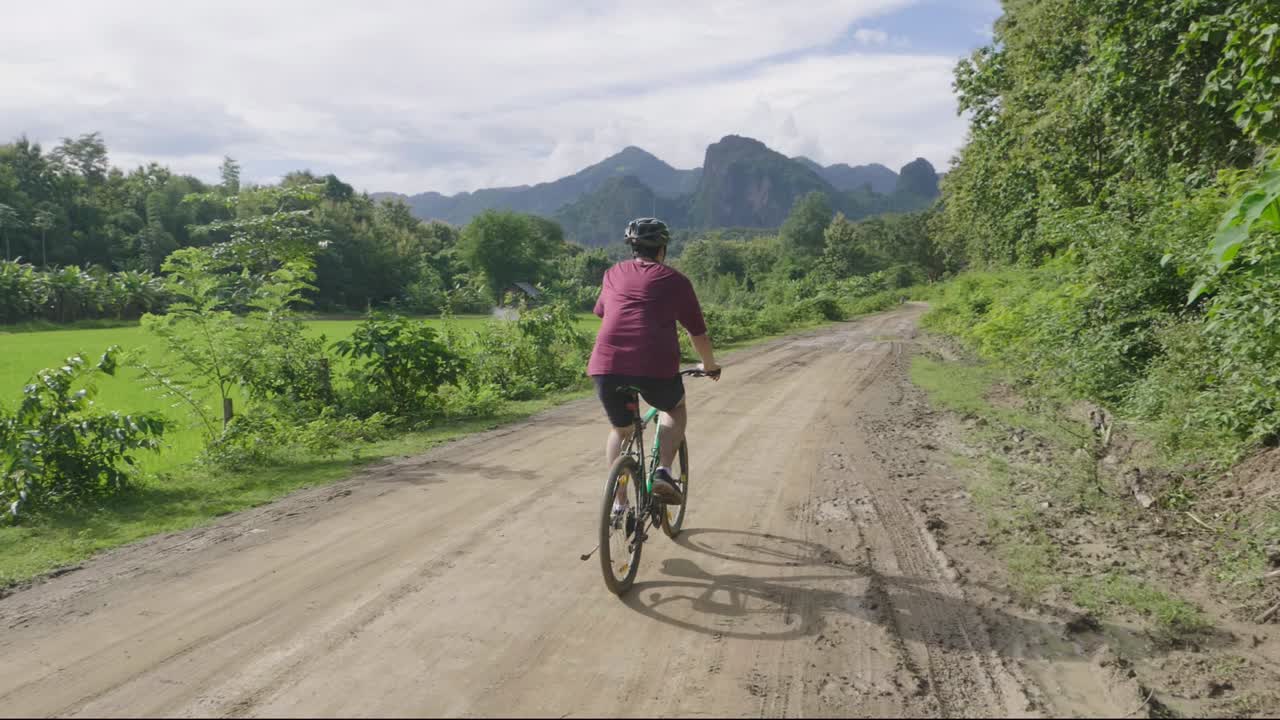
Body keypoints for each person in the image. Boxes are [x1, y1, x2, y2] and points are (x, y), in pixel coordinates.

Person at [588, 217, 720, 507]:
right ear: (662, 248)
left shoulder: (612, 273)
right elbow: (697, 331)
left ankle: (619, 505)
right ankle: (663, 471)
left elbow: (602, 311)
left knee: (620, 431)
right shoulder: (675, 280)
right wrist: (709, 365)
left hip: (606, 365)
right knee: (674, 407)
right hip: (655, 365)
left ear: (632, 247)